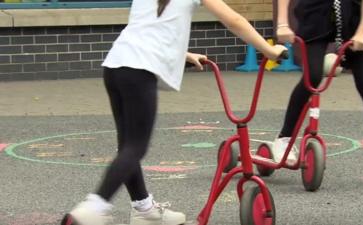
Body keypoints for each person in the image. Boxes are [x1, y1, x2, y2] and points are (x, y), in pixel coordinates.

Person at [61, 1, 287, 225]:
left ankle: (144, 209)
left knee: (127, 145)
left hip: (116, 65)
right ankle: (95, 206)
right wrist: (270, 50)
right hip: (139, 68)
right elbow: (234, 20)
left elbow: (150, 25)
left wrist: (183, 53)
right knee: (135, 147)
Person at [272, 0, 363, 179]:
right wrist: (283, 23)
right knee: (313, 77)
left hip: (353, 18)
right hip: (315, 15)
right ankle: (283, 139)